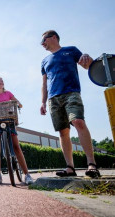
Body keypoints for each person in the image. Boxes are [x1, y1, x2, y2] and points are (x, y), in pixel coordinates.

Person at [40, 30, 100, 178]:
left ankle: (91, 164)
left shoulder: (71, 50)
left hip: (71, 93)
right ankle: (70, 167)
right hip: (53, 98)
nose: (42, 44)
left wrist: (88, 58)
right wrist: (42, 102)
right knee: (63, 131)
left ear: (54, 37)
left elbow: (88, 66)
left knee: (78, 121)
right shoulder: (44, 61)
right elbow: (44, 84)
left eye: (44, 40)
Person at [0, 77, 34, 185]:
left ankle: (27, 175)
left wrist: (19, 104)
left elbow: (16, 101)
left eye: (2, 81)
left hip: (9, 120)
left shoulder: (8, 93)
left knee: (16, 147)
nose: (1, 82)